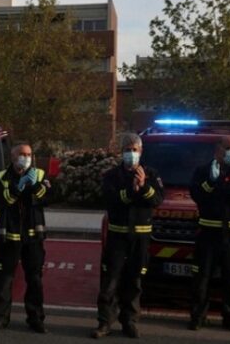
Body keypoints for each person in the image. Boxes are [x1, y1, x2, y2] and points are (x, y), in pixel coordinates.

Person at [91, 133, 164, 339]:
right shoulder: (112, 175)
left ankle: (129, 322)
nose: (131, 154)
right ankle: (104, 323)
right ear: (121, 152)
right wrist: (133, 192)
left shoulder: (151, 174)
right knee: (110, 281)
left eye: (134, 150)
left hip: (140, 240)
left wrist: (145, 187)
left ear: (141, 152)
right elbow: (111, 199)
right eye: (127, 150)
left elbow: (157, 200)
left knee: (134, 282)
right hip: (117, 238)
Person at [188, 136, 230, 333]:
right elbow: (198, 195)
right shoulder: (202, 171)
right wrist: (211, 181)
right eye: (229, 148)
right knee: (202, 278)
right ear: (218, 148)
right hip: (208, 234)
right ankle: (197, 317)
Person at [0, 144, 51, 334]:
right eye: (22, 154)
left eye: (29, 154)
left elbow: (47, 198)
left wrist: (35, 185)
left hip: (33, 236)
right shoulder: (1, 177)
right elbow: (0, 201)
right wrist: (19, 186)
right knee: (4, 279)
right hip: (9, 235)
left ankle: (36, 318)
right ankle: (0, 318)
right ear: (13, 157)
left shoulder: (39, 175)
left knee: (34, 279)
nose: (26, 157)